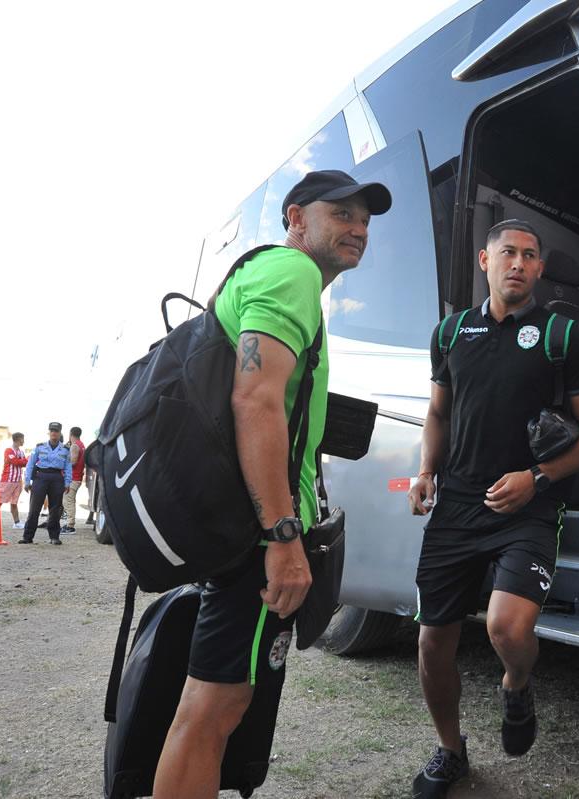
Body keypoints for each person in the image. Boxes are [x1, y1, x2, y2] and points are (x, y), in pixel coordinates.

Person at [152, 169, 391, 799]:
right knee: (213, 710)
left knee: (216, 705)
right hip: (256, 536)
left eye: (364, 220)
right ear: (296, 219)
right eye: (342, 214)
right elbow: (255, 400)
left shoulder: (265, 275)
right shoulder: (292, 273)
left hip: (239, 523)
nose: (358, 229)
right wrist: (283, 537)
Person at [406, 219, 579, 798]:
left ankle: (516, 685)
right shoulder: (450, 332)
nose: (517, 263)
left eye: (528, 255)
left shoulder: (561, 335)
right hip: (456, 507)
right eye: (507, 253)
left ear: (540, 269)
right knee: (432, 643)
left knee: (506, 627)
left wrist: (537, 477)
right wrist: (425, 472)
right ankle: (451, 751)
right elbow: (438, 413)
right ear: (485, 261)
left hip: (529, 507)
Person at [21, 422, 72, 544]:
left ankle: (54, 537)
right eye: (52, 431)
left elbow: (68, 467)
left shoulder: (65, 450)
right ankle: (27, 537)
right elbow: (30, 464)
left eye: (56, 431)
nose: (54, 433)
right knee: (34, 508)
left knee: (55, 509)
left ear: (60, 433)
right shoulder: (40, 447)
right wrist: (27, 481)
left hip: (57, 478)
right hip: (41, 477)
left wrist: (67, 482)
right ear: (49, 432)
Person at [0, 432, 28, 528]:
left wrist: (24, 461)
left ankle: (17, 523)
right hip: (7, 480)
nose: (23, 441)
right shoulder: (8, 450)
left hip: (18, 481)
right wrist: (26, 460)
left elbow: (24, 463)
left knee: (14, 502)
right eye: (22, 439)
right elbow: (15, 462)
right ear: (18, 439)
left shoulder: (21, 452)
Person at [62, 426, 86, 533]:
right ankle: (69, 523)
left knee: (68, 502)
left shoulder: (75, 445)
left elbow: (73, 462)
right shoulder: (82, 445)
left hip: (73, 478)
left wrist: (62, 462)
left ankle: (70, 526)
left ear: (70, 434)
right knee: (69, 501)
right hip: (76, 477)